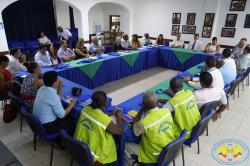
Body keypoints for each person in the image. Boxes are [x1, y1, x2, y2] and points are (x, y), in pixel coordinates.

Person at [74, 91, 122, 165]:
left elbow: (98, 115)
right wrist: (119, 117)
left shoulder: (85, 109)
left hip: (80, 148)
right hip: (96, 157)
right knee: (117, 146)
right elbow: (119, 131)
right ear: (105, 103)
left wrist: (112, 113)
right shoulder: (104, 119)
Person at [126, 92, 175, 164]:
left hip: (154, 156)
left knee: (125, 144)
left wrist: (140, 111)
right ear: (157, 102)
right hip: (170, 149)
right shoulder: (167, 111)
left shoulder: (144, 123)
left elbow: (135, 128)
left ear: (143, 105)